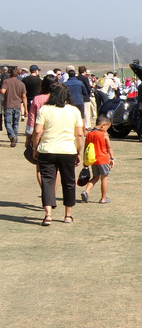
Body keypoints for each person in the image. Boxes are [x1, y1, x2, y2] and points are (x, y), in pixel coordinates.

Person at [32, 83, 84, 225]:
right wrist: (79, 152)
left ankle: (48, 214)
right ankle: (68, 214)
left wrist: (35, 148)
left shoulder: (45, 109)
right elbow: (79, 134)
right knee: (68, 182)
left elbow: (37, 131)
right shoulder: (74, 110)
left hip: (47, 150)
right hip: (68, 150)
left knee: (48, 181)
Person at [81, 115, 115, 204]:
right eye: (107, 127)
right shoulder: (104, 134)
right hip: (103, 159)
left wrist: (85, 161)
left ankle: (86, 191)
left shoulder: (89, 134)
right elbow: (109, 147)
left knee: (95, 177)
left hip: (93, 160)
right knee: (104, 178)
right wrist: (112, 158)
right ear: (103, 125)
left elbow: (86, 148)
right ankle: (103, 198)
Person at [1, 66, 28, 147]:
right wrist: (26, 109)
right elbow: (24, 97)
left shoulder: (6, 81)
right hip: (17, 105)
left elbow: (3, 91)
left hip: (8, 105)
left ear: (10, 74)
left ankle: (12, 136)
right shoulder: (21, 84)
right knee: (15, 123)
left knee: (8, 123)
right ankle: (15, 138)